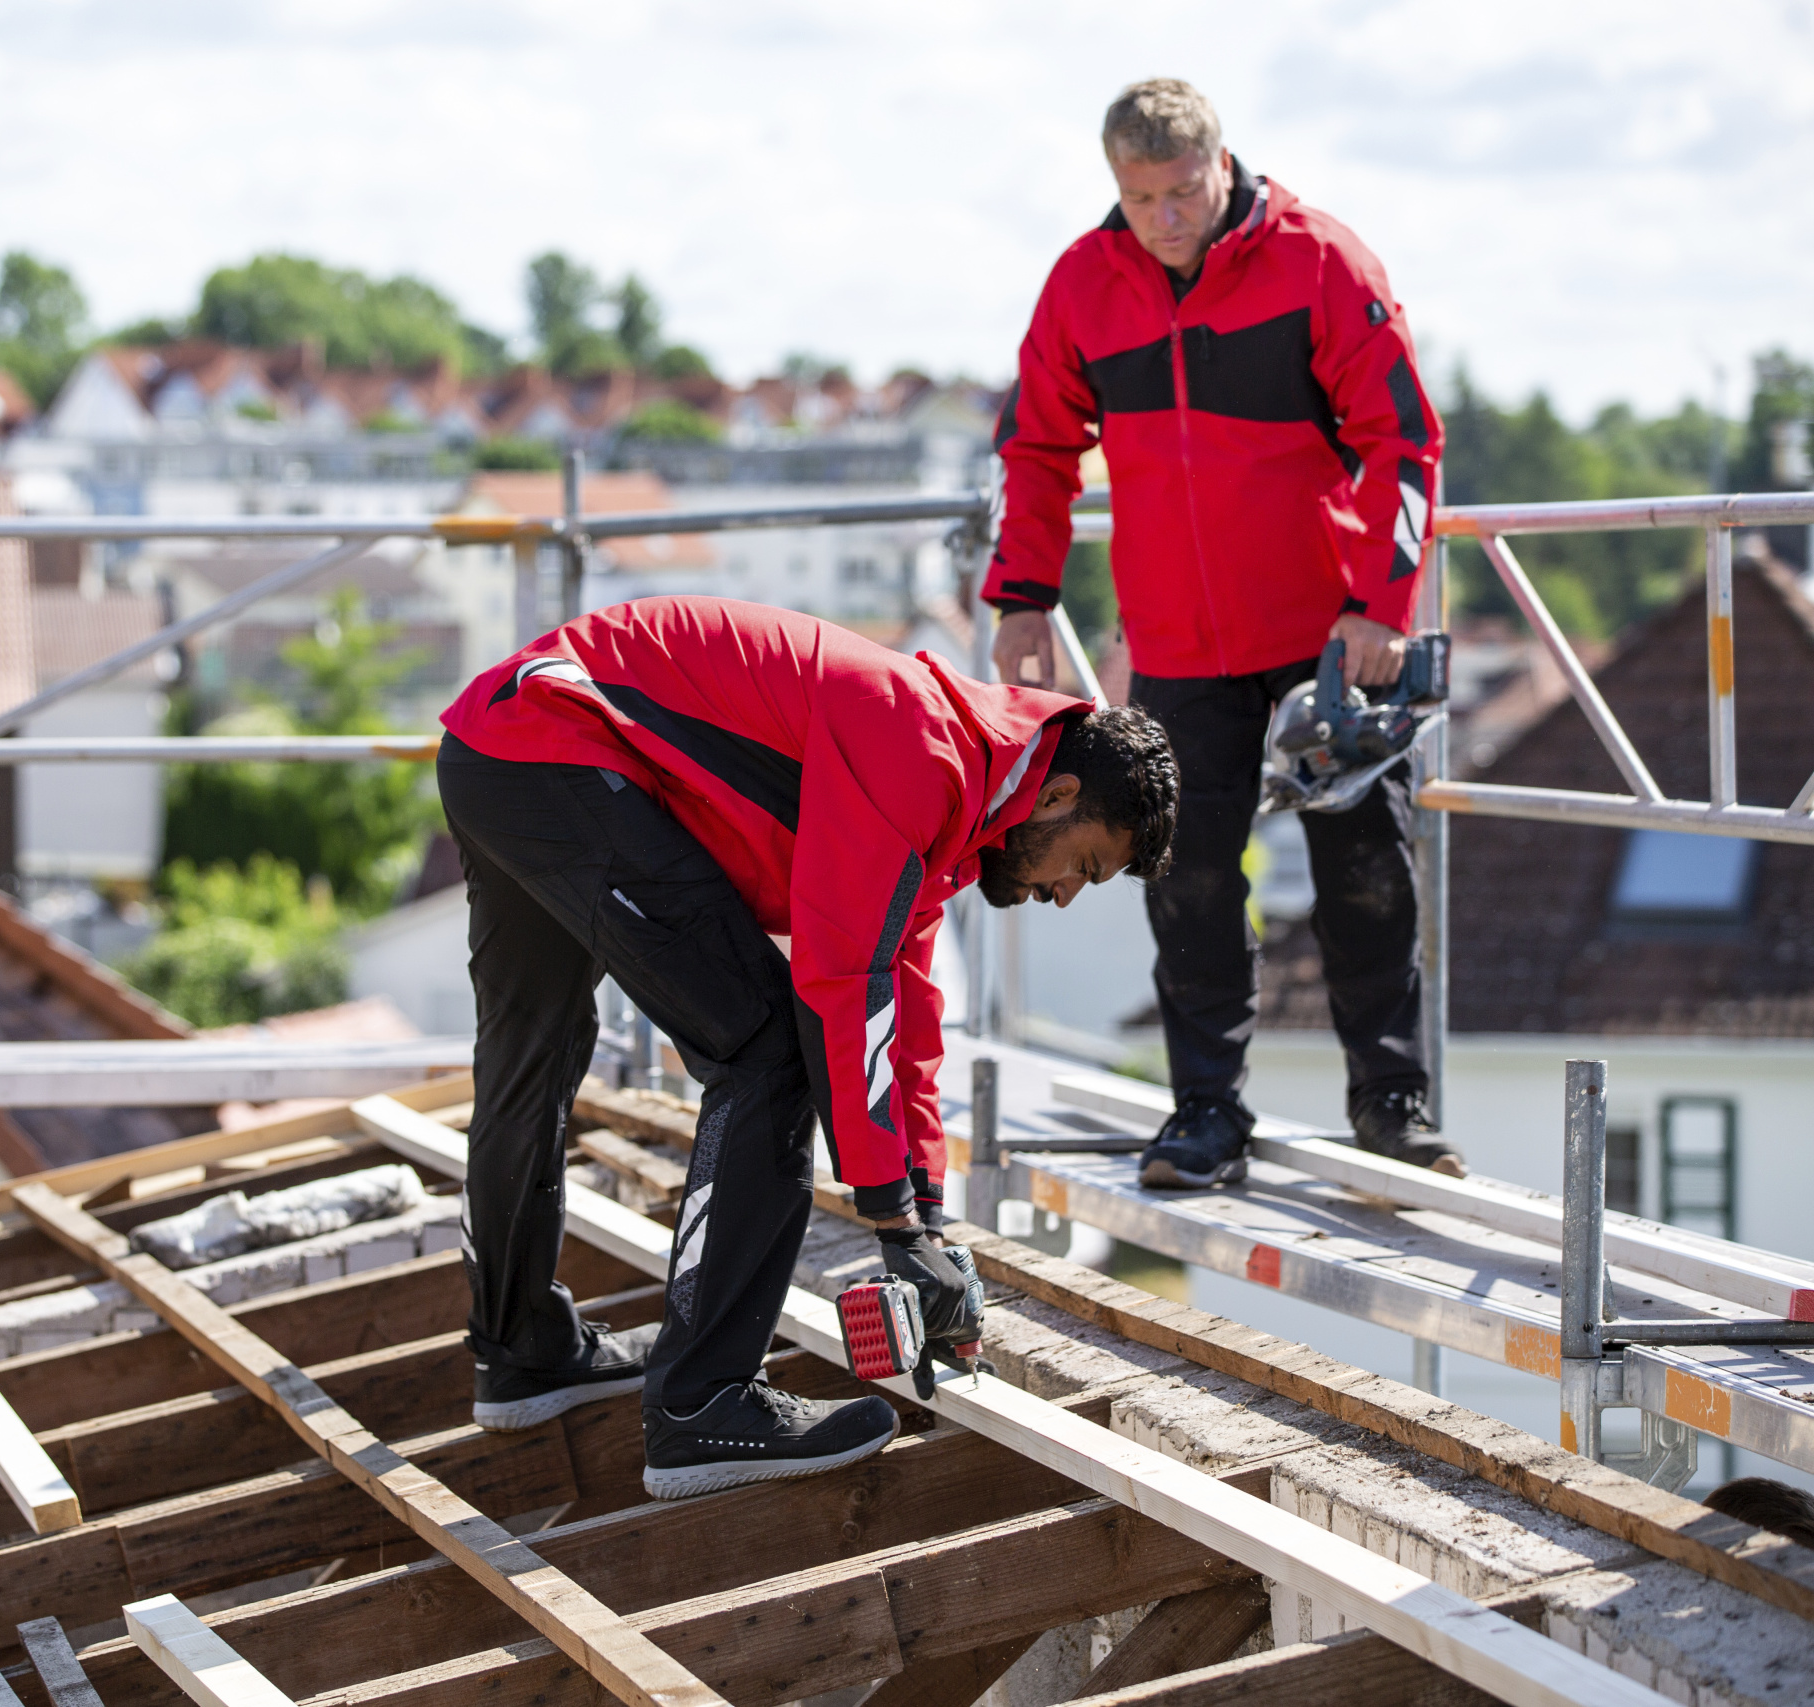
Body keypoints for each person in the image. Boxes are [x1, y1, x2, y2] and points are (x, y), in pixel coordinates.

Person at [436, 596, 1178, 1499]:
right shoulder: (924, 751)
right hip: (562, 751)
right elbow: (838, 984)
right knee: (768, 1051)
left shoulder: (959, 782)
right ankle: (701, 1405)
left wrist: (925, 1213)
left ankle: (521, 1354)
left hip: (502, 746)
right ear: (1058, 795)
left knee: (532, 1063)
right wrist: (891, 1219)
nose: (1065, 893)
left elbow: (902, 1009)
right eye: (1084, 866)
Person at [984, 77, 1461, 1189]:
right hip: (1178, 647)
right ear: (1116, 186)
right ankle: (1205, 1112)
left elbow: (1403, 441)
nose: (1164, 217)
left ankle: (1391, 1101)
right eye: (1140, 196)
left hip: (1326, 639)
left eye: (1181, 189)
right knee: (1185, 874)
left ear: (1220, 162)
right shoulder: (1081, 287)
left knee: (1364, 866)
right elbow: (1037, 453)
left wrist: (1378, 607)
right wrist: (1020, 597)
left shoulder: (1320, 263)